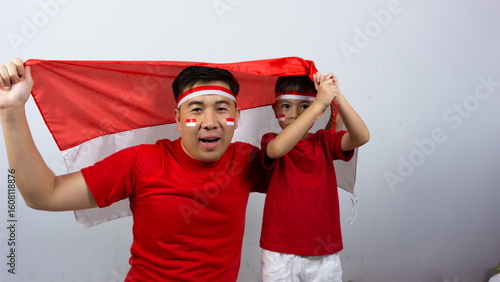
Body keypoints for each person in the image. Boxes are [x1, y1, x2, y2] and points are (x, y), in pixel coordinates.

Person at [0, 58, 266, 281]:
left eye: (221, 109)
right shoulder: (141, 161)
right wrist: (11, 111)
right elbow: (44, 194)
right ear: (178, 119)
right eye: (197, 109)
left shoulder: (247, 159)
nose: (210, 122)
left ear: (237, 117)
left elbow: (306, 178)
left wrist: (308, 104)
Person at [259, 73, 370, 281]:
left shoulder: (324, 142)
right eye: (286, 106)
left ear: (318, 112)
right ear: (275, 110)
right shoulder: (271, 140)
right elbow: (277, 150)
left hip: (323, 252)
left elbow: (362, 136)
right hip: (280, 251)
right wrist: (316, 105)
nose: (294, 114)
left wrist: (336, 96)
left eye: (304, 106)